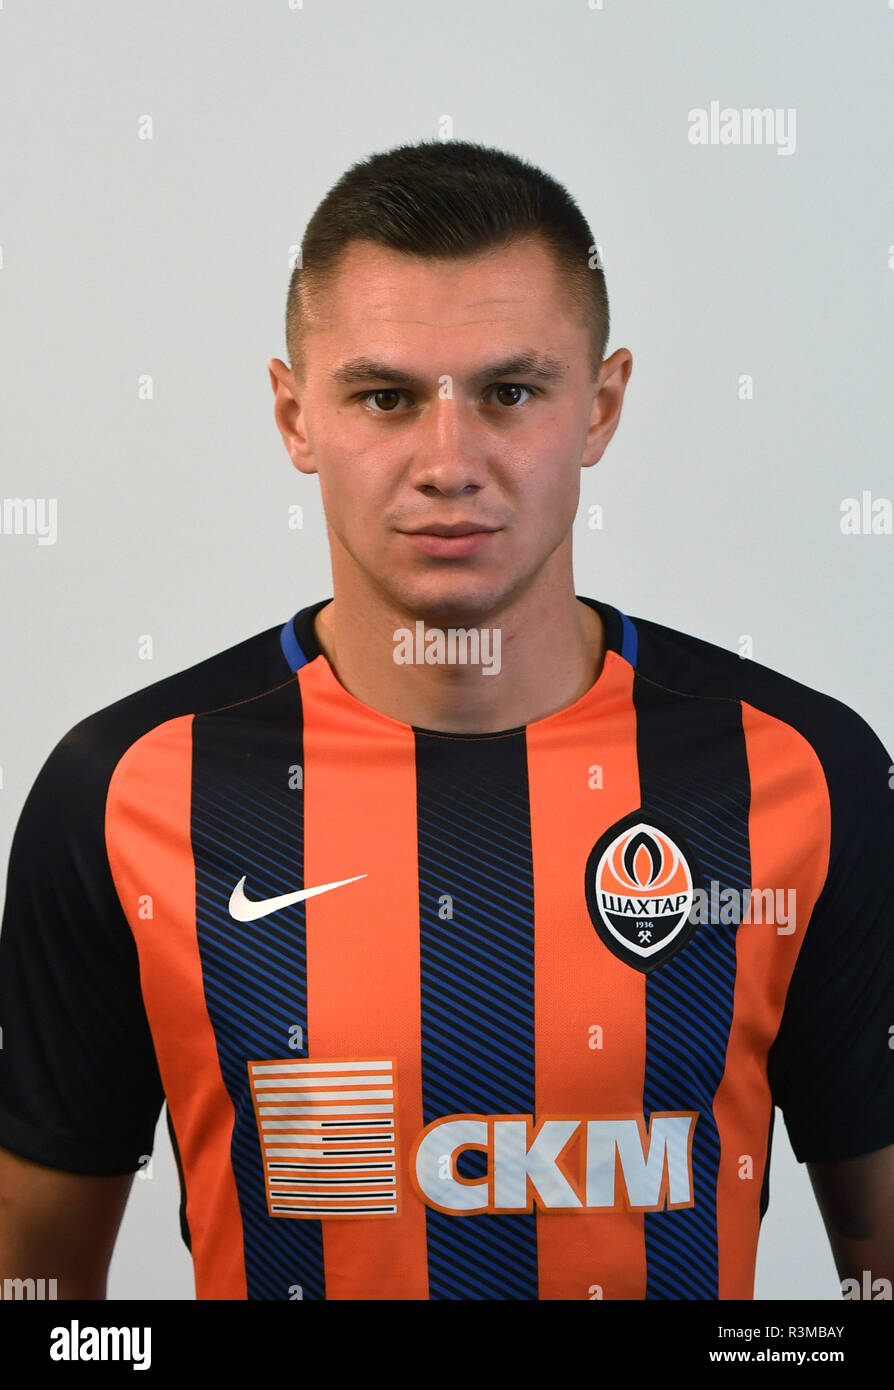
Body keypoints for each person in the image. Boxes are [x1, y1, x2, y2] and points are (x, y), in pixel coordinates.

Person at [0, 139, 892, 1302]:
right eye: (385, 396)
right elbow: (39, 1303)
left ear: (602, 407)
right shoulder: (125, 788)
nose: (449, 461)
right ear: (294, 415)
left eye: (510, 393)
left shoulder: (805, 774)